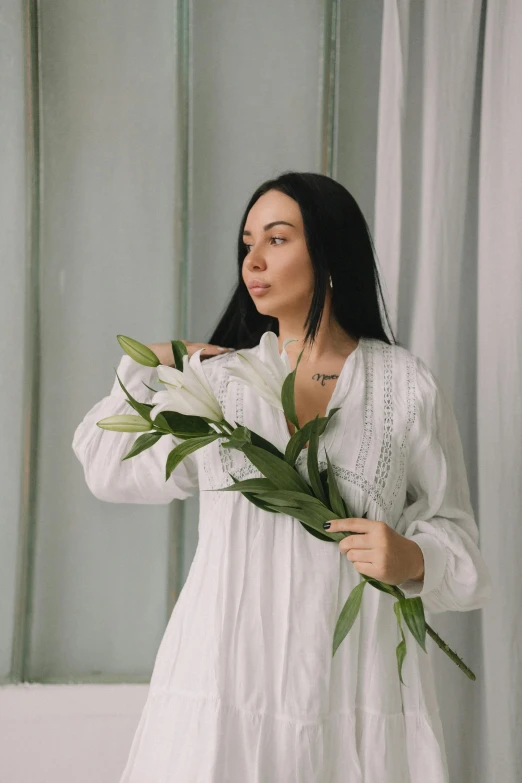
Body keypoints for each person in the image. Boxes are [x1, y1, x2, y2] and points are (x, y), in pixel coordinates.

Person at [72, 171, 492, 782]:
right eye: (247, 243)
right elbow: (105, 466)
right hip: (225, 678)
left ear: (326, 252)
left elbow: (461, 544)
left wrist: (413, 556)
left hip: (353, 683)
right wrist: (156, 362)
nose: (253, 260)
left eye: (276, 238)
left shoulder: (405, 385)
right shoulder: (218, 382)